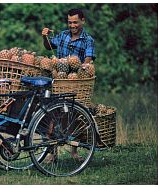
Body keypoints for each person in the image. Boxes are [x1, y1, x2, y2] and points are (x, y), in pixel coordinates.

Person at [41, 8, 96, 162]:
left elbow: (88, 58)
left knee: (75, 116)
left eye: (75, 22)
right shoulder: (63, 35)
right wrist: (45, 37)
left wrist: (82, 67)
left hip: (75, 80)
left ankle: (74, 151)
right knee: (53, 115)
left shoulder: (88, 40)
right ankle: (52, 153)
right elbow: (48, 46)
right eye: (70, 22)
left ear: (82, 21)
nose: (72, 25)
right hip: (59, 79)